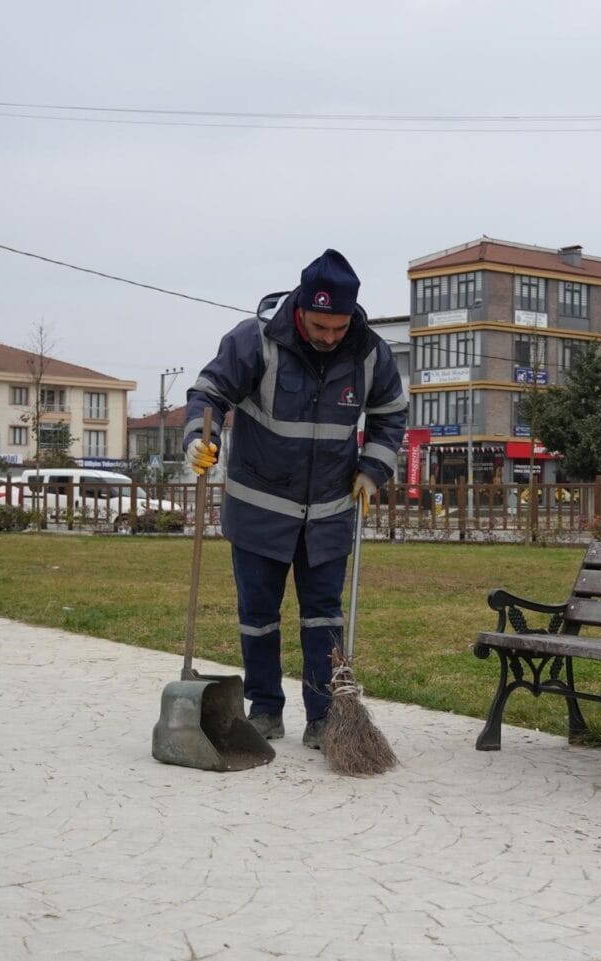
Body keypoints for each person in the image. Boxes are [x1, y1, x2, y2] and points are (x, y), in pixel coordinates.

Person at [183, 249, 408, 750]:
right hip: (259, 509)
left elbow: (391, 414)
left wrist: (372, 470)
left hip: (329, 512)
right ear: (301, 308)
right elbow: (208, 394)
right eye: (320, 326)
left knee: (323, 617)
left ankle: (325, 717)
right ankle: (264, 710)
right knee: (257, 617)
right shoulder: (254, 342)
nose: (330, 337)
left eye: (339, 327)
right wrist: (201, 441)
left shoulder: (369, 352)